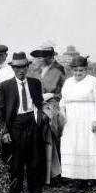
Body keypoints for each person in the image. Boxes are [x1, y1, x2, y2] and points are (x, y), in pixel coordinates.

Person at [0, 52, 49, 193]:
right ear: (13, 68)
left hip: (32, 124)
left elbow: (39, 104)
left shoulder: (35, 83)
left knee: (35, 163)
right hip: (15, 126)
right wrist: (4, 131)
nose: (21, 71)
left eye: (24, 67)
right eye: (18, 67)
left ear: (27, 67)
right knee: (16, 165)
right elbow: (0, 111)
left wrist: (42, 120)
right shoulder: (5, 86)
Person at [59, 55, 96, 183]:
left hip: (88, 117)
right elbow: (63, 100)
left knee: (90, 145)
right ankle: (77, 177)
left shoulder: (93, 81)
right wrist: (62, 113)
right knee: (75, 146)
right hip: (72, 120)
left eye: (81, 70)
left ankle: (92, 177)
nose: (78, 73)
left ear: (86, 70)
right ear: (72, 70)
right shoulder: (68, 82)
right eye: (75, 70)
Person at [30, 43, 65, 185]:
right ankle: (45, 173)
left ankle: (55, 174)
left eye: (46, 55)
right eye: (42, 55)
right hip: (40, 104)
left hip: (53, 106)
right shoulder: (40, 69)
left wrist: (47, 95)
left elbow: (57, 91)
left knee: (52, 137)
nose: (44, 58)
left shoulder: (57, 69)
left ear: (51, 55)